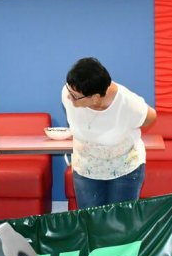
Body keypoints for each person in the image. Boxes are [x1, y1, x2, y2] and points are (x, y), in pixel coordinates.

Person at [62, 57, 157, 209]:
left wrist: (126, 128)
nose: (68, 96)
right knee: (91, 221)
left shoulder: (128, 103)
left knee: (119, 224)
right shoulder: (71, 91)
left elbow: (151, 117)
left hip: (124, 167)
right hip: (86, 166)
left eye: (74, 95)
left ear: (95, 98)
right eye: (69, 90)